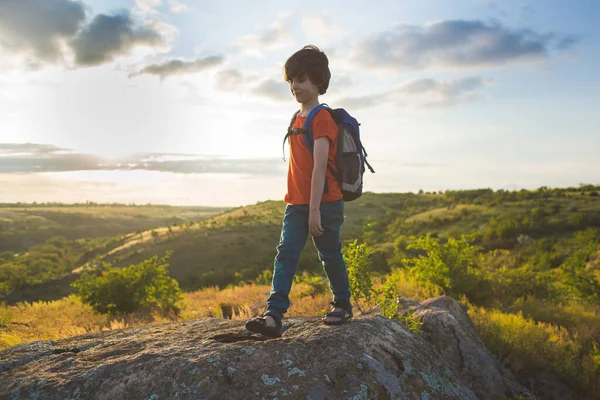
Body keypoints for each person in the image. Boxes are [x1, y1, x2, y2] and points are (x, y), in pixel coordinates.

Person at [245, 45, 352, 338]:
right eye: (292, 80)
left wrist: (315, 210)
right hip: (295, 204)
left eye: (302, 80)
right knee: (286, 255)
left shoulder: (321, 118)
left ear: (318, 82)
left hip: (325, 204)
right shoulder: (296, 117)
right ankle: (273, 316)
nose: (295, 86)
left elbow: (320, 167)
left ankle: (342, 304)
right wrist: (301, 205)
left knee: (330, 254)